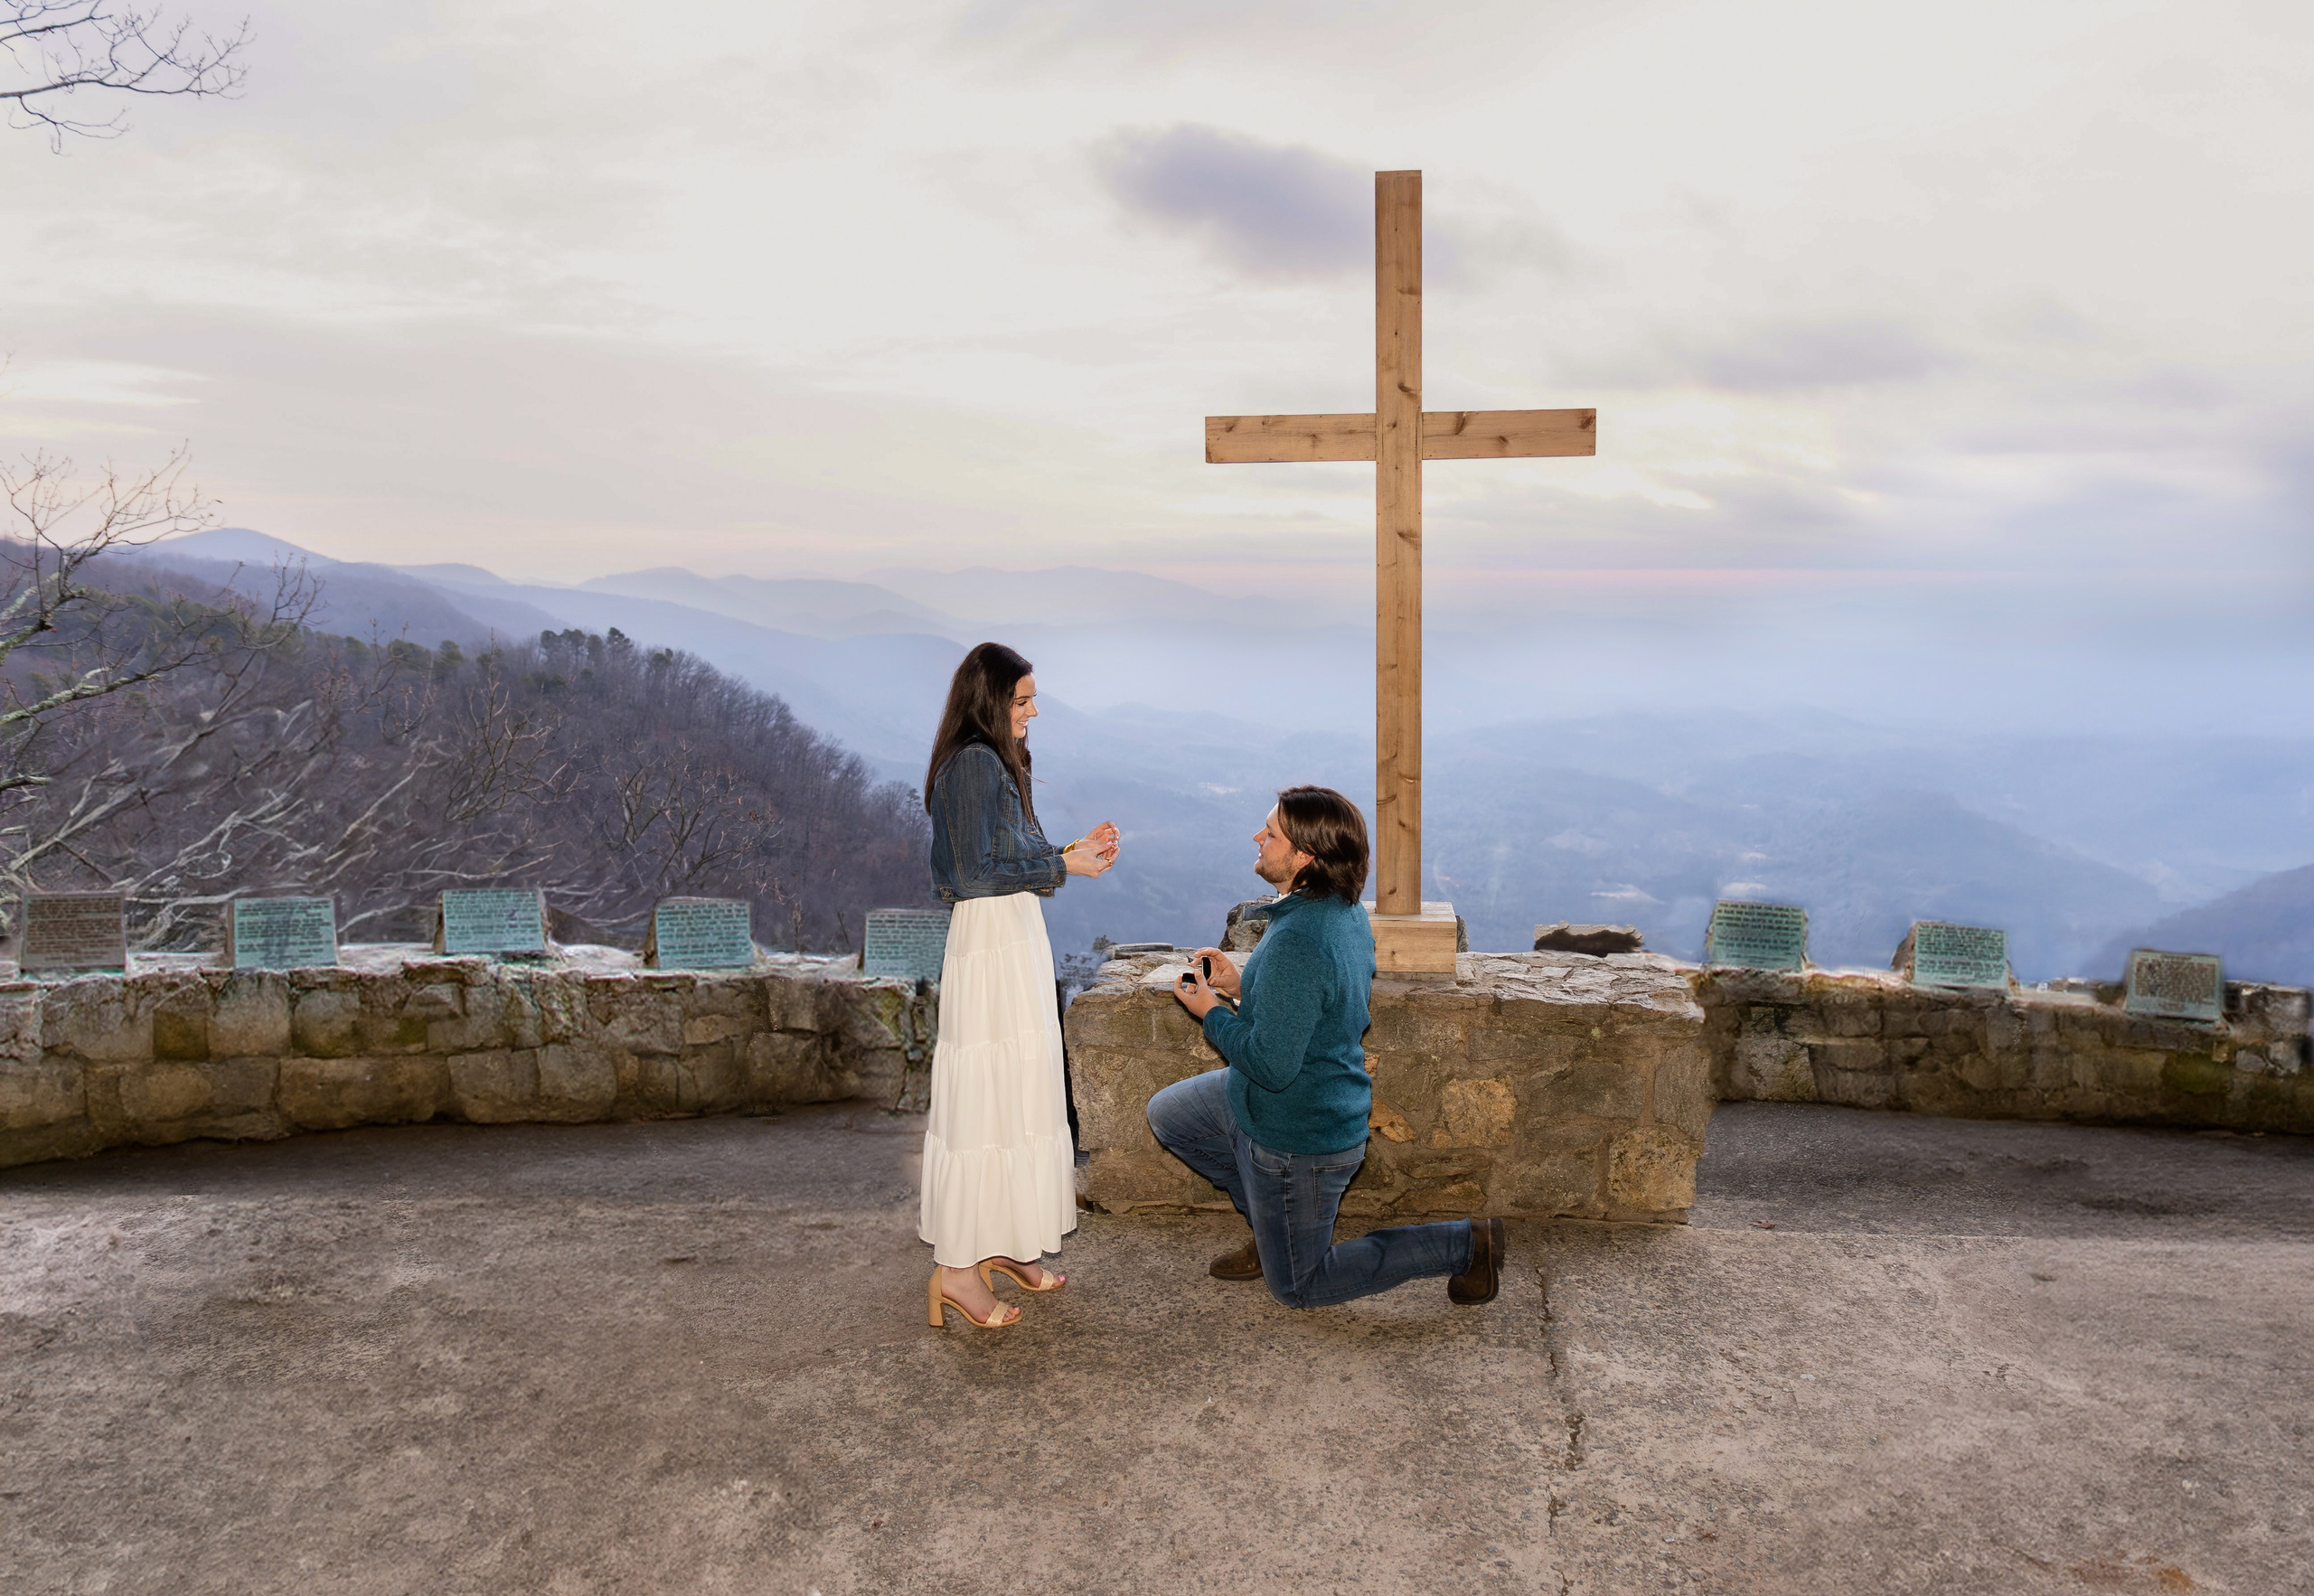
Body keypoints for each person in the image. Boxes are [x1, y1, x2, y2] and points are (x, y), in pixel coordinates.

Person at [1149, 786, 1504, 1310]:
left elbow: (1271, 1065)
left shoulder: (1301, 937)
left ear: (1305, 856)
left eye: (1270, 834)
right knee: (1171, 1116)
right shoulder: (1336, 908)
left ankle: (1464, 1243)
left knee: (1300, 1286)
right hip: (1270, 1102)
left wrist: (1211, 1011)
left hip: (1299, 1132)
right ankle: (1275, 1232)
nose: (1257, 838)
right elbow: (1318, 1004)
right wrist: (1241, 987)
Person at [920, 643, 1119, 1330]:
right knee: (988, 1101)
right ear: (989, 701)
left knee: (1017, 1095)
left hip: (1011, 934)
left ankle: (1003, 1242)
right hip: (992, 940)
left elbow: (1002, 856)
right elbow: (972, 876)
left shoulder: (995, 758)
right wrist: (1063, 867)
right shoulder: (975, 763)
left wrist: (1067, 855)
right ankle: (957, 1273)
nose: (1033, 711)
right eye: (1022, 700)